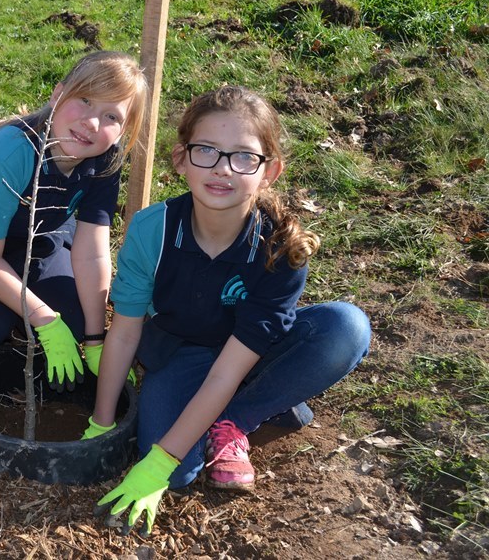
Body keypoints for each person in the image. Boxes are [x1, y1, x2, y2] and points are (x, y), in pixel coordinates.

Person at [87, 85, 371, 534]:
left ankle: (237, 419)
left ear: (269, 170)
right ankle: (269, 402)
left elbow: (227, 370)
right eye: (207, 151)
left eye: (243, 156)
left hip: (250, 352)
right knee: (179, 476)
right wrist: (101, 421)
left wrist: (162, 459)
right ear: (181, 159)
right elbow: (123, 333)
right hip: (184, 352)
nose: (222, 169)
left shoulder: (280, 248)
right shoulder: (151, 231)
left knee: (345, 328)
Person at [0, 51, 149, 391]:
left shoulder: (104, 157)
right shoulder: (8, 153)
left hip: (39, 236)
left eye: (111, 115)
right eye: (84, 100)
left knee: (77, 319)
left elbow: (92, 250)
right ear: (57, 94)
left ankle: (22, 310)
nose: (92, 123)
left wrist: (95, 340)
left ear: (123, 130)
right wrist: (44, 320)